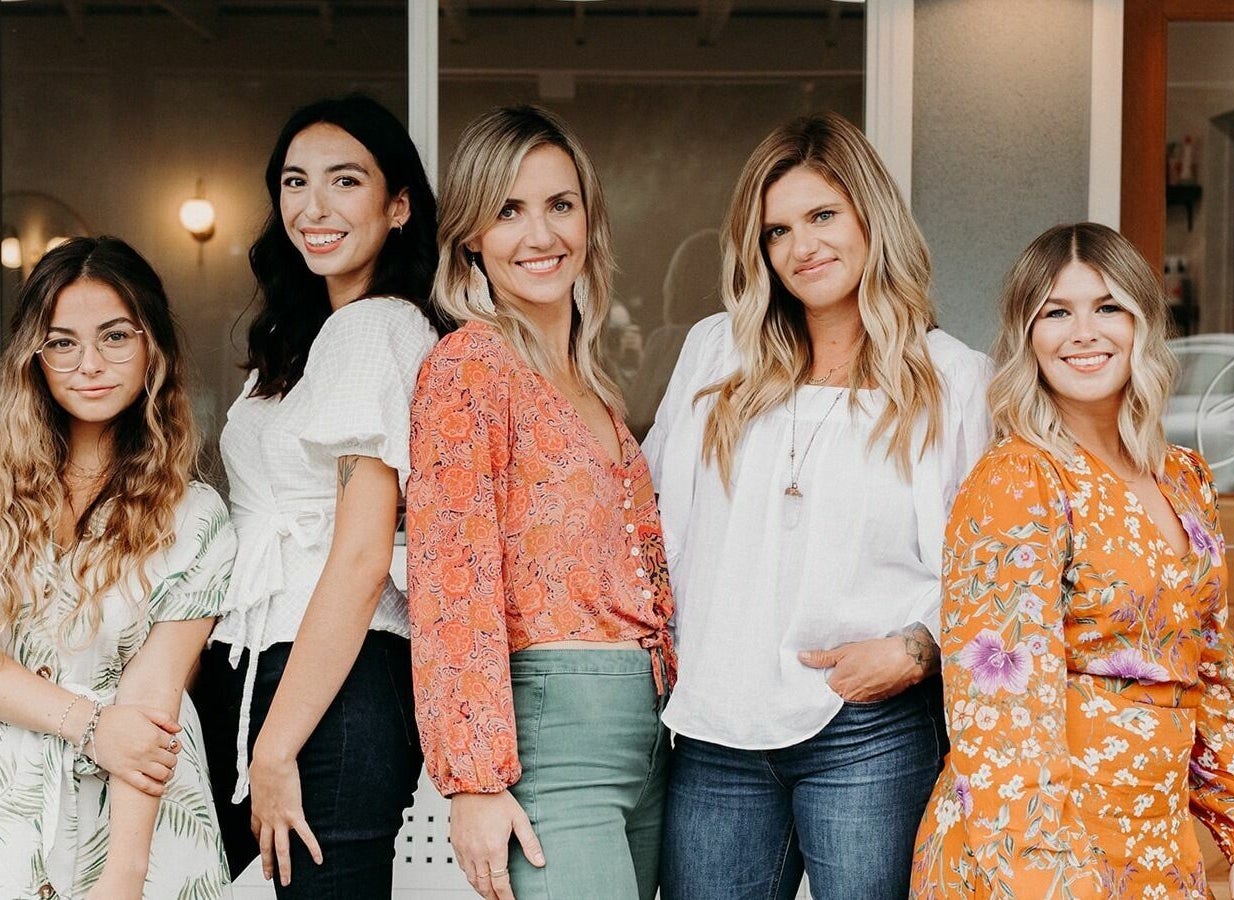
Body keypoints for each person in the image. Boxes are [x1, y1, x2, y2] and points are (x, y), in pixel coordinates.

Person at [642, 112, 991, 900]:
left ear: (872, 216)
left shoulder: (952, 377)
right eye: (777, 231)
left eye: (823, 216)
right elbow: (653, 522)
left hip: (868, 729)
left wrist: (917, 648)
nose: (802, 247)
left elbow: (990, 565)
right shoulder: (716, 354)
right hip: (717, 726)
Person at [911, 223, 1234, 899]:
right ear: (1027, 335)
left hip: (1157, 849)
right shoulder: (1016, 479)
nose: (1083, 333)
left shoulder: (1184, 477)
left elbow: (1209, 668)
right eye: (1056, 312)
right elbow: (997, 712)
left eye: (1108, 307)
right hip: (1037, 856)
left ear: (1144, 325)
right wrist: (1047, 879)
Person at [408, 105, 675, 900]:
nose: (540, 234)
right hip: (551, 729)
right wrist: (477, 780)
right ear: (471, 237)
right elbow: (450, 580)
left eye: (560, 205)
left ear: (589, 221)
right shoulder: (467, 367)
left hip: (649, 727)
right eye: (509, 211)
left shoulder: (595, 387)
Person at [193, 94, 442, 895]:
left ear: (397, 205)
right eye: (296, 183)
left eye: (345, 181)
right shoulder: (314, 339)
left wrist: (274, 745)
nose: (314, 206)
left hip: (327, 679)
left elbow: (365, 553)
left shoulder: (375, 328)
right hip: (266, 664)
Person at [0, 236, 236, 899]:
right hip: (15, 805)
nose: (90, 364)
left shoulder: (195, 515)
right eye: (63, 342)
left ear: (152, 347)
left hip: (143, 814)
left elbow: (154, 699)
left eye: (115, 337)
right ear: (34, 358)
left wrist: (123, 876)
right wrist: (90, 726)